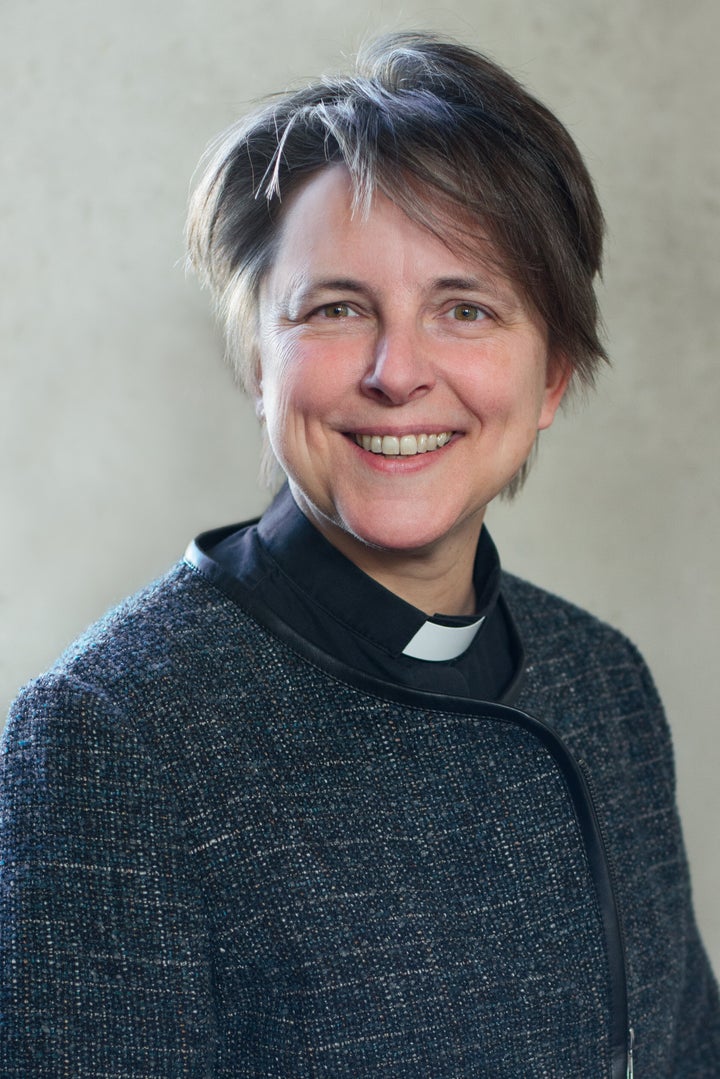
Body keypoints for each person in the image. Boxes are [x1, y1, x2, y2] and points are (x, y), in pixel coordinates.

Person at [1, 31, 718, 1078]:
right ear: (261, 361)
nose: (396, 373)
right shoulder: (112, 737)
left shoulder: (602, 680)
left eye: (464, 309)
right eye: (338, 309)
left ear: (554, 375)